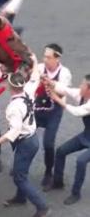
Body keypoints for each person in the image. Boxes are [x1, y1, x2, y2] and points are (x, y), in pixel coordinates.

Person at [0, 55, 51, 217]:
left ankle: (42, 206)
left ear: (10, 87)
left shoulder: (13, 108)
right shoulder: (29, 90)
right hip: (31, 138)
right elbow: (35, 76)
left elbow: (15, 130)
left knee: (19, 176)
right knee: (20, 171)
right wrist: (35, 59)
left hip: (24, 141)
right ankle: (20, 197)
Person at [44, 74, 90, 205]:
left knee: (81, 161)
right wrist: (50, 82)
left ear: (89, 90)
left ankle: (76, 193)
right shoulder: (81, 94)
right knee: (61, 151)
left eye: (83, 85)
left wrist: (57, 99)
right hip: (86, 135)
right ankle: (58, 182)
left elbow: (77, 112)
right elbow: (65, 89)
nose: (80, 86)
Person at [34, 43, 72, 191]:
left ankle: (48, 171)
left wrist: (50, 83)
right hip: (37, 108)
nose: (45, 59)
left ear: (57, 58)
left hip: (53, 112)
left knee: (48, 143)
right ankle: (21, 164)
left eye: (48, 57)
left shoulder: (65, 73)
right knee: (22, 135)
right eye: (44, 56)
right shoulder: (39, 68)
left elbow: (63, 92)